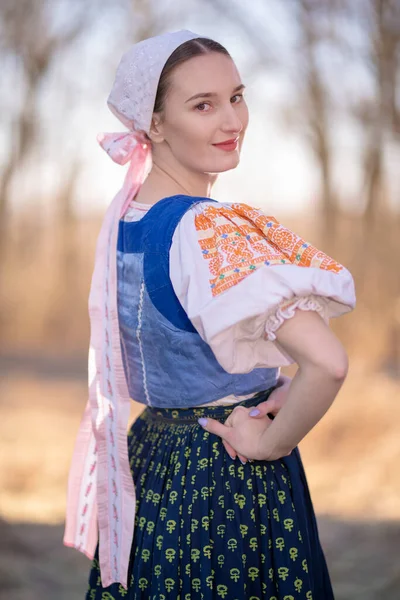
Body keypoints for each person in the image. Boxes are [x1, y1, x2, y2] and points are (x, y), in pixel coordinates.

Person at [63, 30, 356, 599]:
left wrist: (269, 385)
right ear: (154, 124)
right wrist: (269, 444)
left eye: (237, 96)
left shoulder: (127, 217)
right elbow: (329, 364)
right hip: (225, 474)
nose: (232, 120)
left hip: (151, 462)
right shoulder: (208, 230)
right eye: (203, 105)